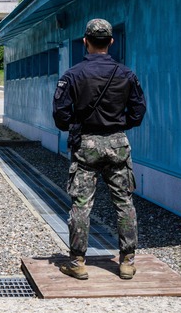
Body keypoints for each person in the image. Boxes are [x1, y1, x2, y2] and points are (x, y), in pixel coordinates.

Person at [52, 18, 146, 280]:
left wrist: (77, 124)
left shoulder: (72, 75)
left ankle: (78, 261)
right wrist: (119, 124)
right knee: (124, 202)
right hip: (117, 143)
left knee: (81, 204)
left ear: (86, 41)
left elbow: (60, 116)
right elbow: (138, 112)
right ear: (111, 42)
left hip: (86, 145)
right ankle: (127, 261)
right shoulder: (126, 74)